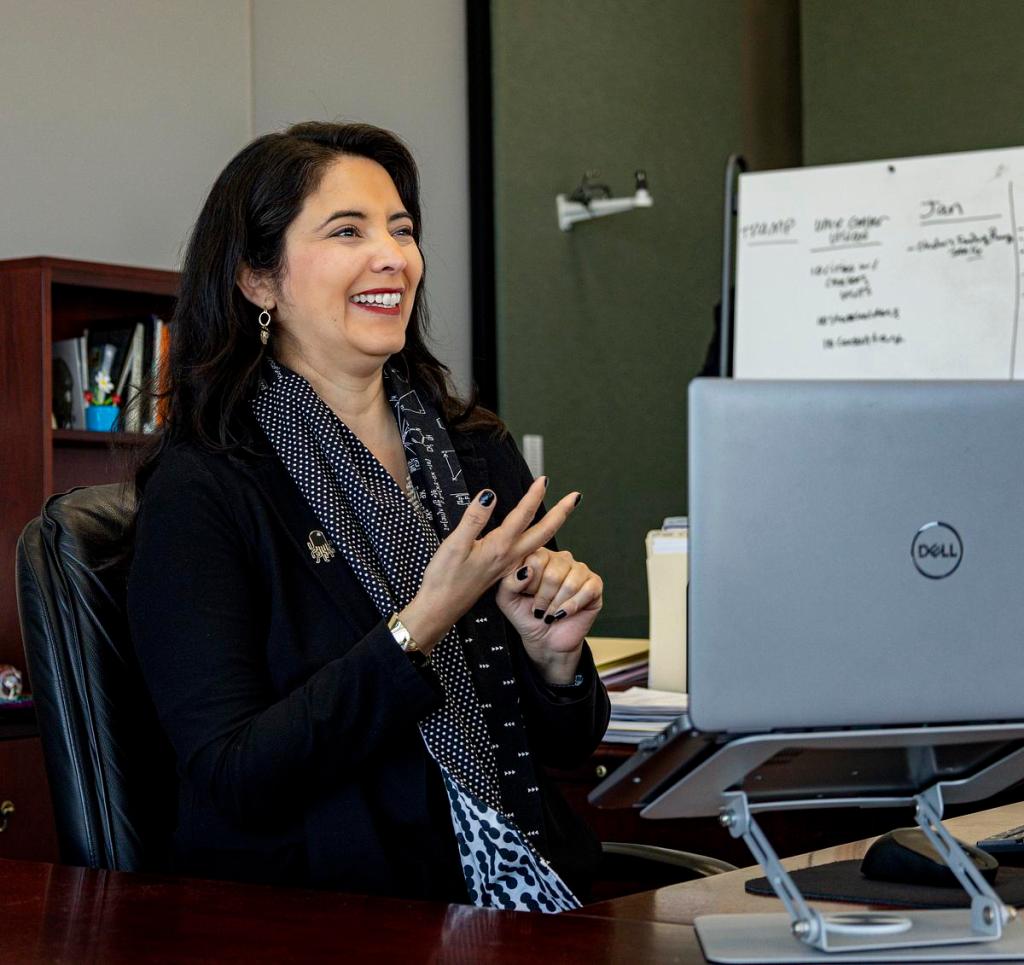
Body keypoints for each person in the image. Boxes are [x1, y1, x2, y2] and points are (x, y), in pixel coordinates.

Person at [126, 121, 610, 911]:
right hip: (336, 915)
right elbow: (233, 775)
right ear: (257, 277)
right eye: (348, 231)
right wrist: (419, 625)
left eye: (403, 230)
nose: (394, 256)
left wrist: (553, 657)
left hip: (530, 891)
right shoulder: (206, 487)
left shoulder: (475, 451)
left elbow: (564, 747)